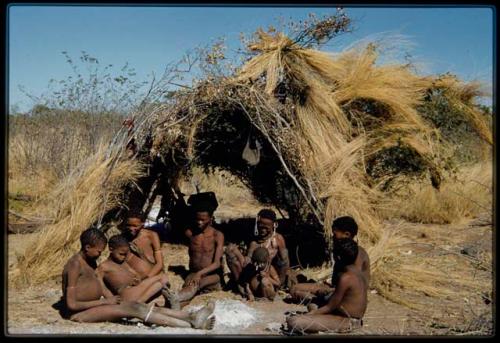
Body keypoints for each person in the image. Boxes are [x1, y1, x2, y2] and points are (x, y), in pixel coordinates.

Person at [61, 228, 216, 329]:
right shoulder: (74, 265)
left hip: (94, 306)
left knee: (136, 305)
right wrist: (104, 302)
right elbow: (71, 304)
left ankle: (190, 317)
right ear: (87, 248)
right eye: (98, 251)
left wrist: (113, 299)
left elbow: (99, 284)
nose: (100, 255)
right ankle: (188, 325)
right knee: (136, 309)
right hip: (80, 314)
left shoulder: (90, 260)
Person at [285, 238, 367, 334]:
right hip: (343, 314)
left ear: (339, 258)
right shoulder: (358, 272)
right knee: (312, 305)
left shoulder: (346, 278)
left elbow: (330, 306)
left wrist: (309, 315)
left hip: (348, 320)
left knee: (293, 322)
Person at [290, 216, 370, 306]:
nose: (333, 237)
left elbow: (356, 284)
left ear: (347, 234)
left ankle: (319, 303)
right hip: (334, 289)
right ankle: (318, 301)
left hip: (345, 294)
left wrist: (329, 291)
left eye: (335, 234)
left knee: (301, 294)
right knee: (294, 289)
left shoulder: (358, 254)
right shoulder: (339, 250)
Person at [165, 201, 225, 310]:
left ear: (211, 218)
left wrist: (200, 273)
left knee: (195, 285)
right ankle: (174, 308)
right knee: (189, 288)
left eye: (203, 220)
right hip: (193, 273)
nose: (199, 222)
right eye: (197, 219)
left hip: (212, 275)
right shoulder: (190, 233)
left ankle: (175, 297)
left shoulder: (217, 235)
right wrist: (196, 274)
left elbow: (217, 263)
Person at [225, 209, 292, 289]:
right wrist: (247, 258)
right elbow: (248, 259)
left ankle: (279, 286)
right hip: (253, 274)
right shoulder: (254, 241)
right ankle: (241, 285)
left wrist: (281, 281)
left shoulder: (278, 239)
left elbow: (284, 262)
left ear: (274, 225)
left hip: (269, 276)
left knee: (284, 258)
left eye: (266, 228)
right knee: (230, 249)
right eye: (260, 226)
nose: (262, 230)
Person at [97, 234, 169, 303]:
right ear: (111, 249)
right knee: (163, 278)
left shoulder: (123, 263)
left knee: (164, 278)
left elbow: (136, 275)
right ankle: (137, 303)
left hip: (135, 290)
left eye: (125, 254)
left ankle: (139, 302)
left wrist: (137, 280)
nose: (123, 257)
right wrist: (111, 299)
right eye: (121, 254)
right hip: (126, 293)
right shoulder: (103, 266)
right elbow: (101, 287)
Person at [124, 214, 167, 280]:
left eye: (135, 226)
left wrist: (146, 278)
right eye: (128, 225)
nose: (131, 228)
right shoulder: (124, 237)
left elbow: (159, 264)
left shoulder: (151, 236)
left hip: (151, 275)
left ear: (142, 225)